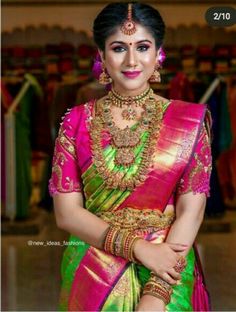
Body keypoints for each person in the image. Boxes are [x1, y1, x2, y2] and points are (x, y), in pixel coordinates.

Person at [49, 2, 212, 311]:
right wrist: (138, 248)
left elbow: (191, 211)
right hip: (93, 268)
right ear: (101, 56)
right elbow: (67, 214)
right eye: (119, 48)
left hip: (168, 263)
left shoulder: (188, 122)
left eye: (143, 46)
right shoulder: (76, 121)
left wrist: (159, 290)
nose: (132, 60)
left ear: (158, 53)